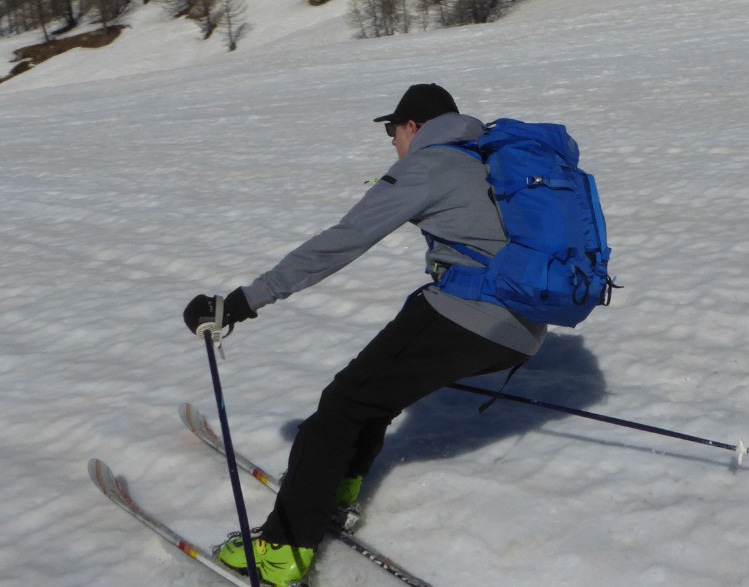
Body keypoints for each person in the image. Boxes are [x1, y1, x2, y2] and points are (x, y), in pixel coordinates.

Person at [183, 83, 545, 587]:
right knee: (368, 396)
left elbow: (342, 241)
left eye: (392, 131)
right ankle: (335, 491)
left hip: (470, 313)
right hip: (523, 324)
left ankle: (283, 550)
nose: (393, 143)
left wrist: (240, 303)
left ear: (413, 127)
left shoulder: (429, 163)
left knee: (340, 407)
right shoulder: (488, 157)